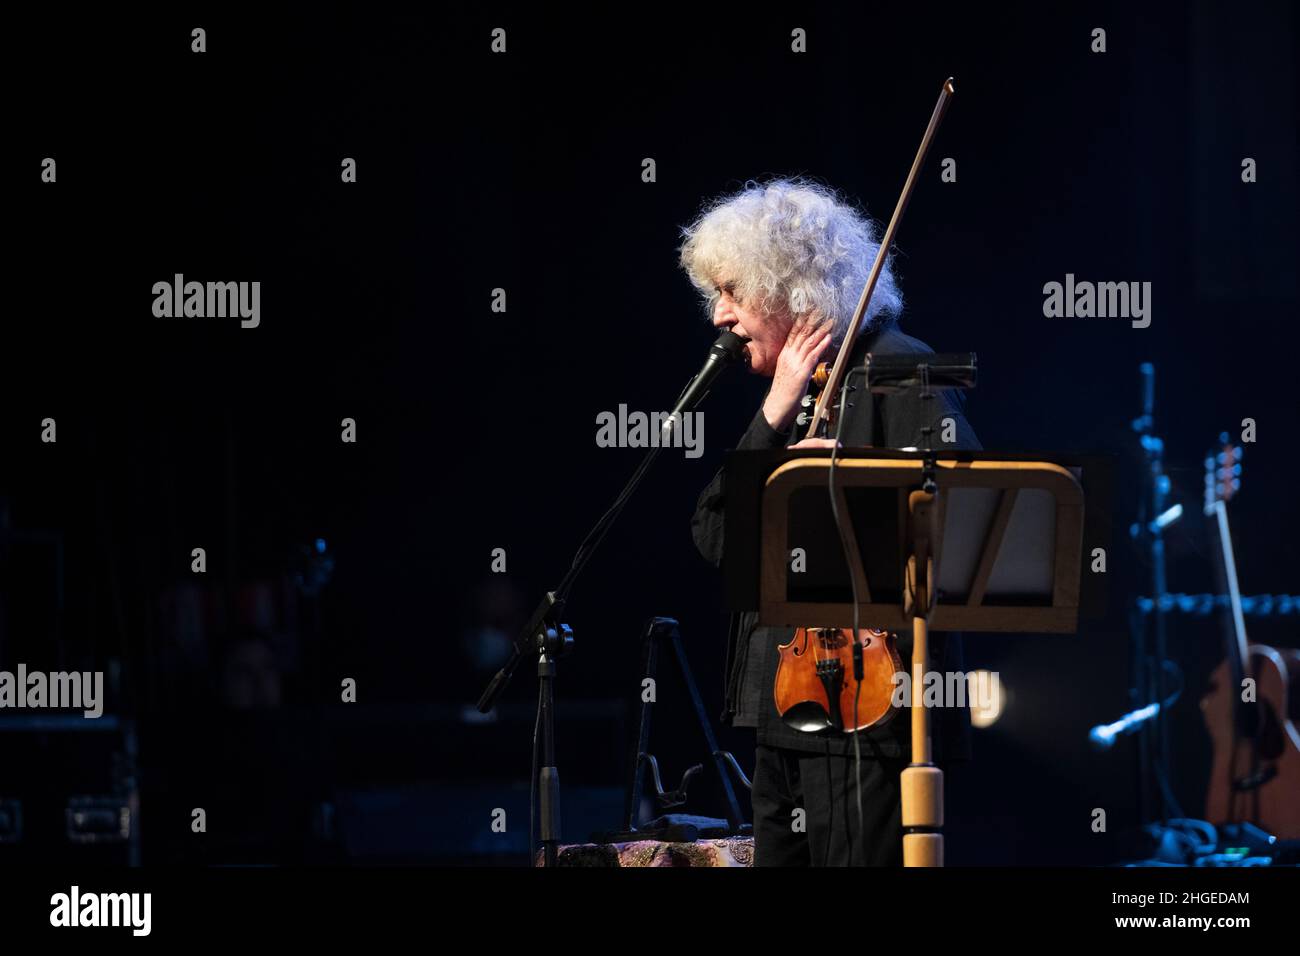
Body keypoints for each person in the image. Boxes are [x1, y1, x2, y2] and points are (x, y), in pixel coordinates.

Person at [680, 178, 980, 866]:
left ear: (787, 288)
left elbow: (967, 514)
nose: (719, 315)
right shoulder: (795, 398)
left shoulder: (898, 369)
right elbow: (715, 538)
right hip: (779, 703)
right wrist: (772, 417)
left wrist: (849, 486)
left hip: (866, 707)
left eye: (732, 291)